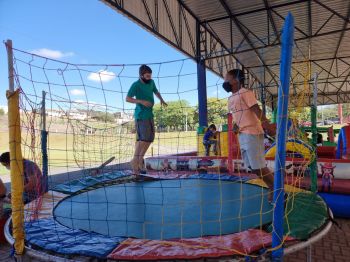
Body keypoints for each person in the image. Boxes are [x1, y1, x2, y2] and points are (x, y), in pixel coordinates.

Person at [223, 69, 276, 200]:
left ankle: (276, 190)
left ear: (235, 80)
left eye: (226, 79)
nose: (224, 82)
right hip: (242, 135)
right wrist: (235, 127)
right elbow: (238, 117)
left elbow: (256, 109)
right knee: (252, 167)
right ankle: (272, 187)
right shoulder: (230, 98)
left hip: (253, 133)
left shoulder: (245, 93)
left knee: (259, 166)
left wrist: (268, 126)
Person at [126, 65, 167, 176]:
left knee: (149, 139)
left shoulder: (151, 82)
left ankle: (139, 160)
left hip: (150, 115)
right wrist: (141, 101)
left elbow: (156, 91)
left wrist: (161, 100)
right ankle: (135, 162)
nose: (149, 78)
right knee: (142, 139)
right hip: (141, 116)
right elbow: (128, 98)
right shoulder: (136, 85)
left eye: (150, 76)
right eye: (147, 76)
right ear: (141, 75)